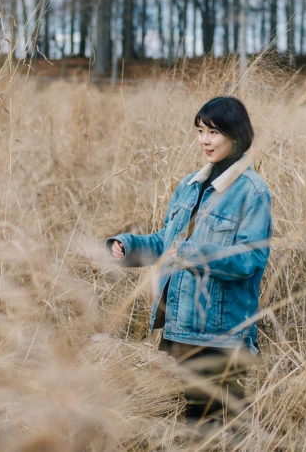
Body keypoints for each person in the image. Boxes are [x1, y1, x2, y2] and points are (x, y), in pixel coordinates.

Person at [106, 96, 272, 428]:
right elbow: (167, 242)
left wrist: (192, 255)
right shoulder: (190, 186)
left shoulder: (253, 192)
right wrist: (126, 245)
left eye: (213, 132)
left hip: (220, 335)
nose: (204, 141)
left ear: (235, 135)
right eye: (200, 131)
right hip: (180, 326)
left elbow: (250, 259)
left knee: (219, 424)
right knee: (195, 421)